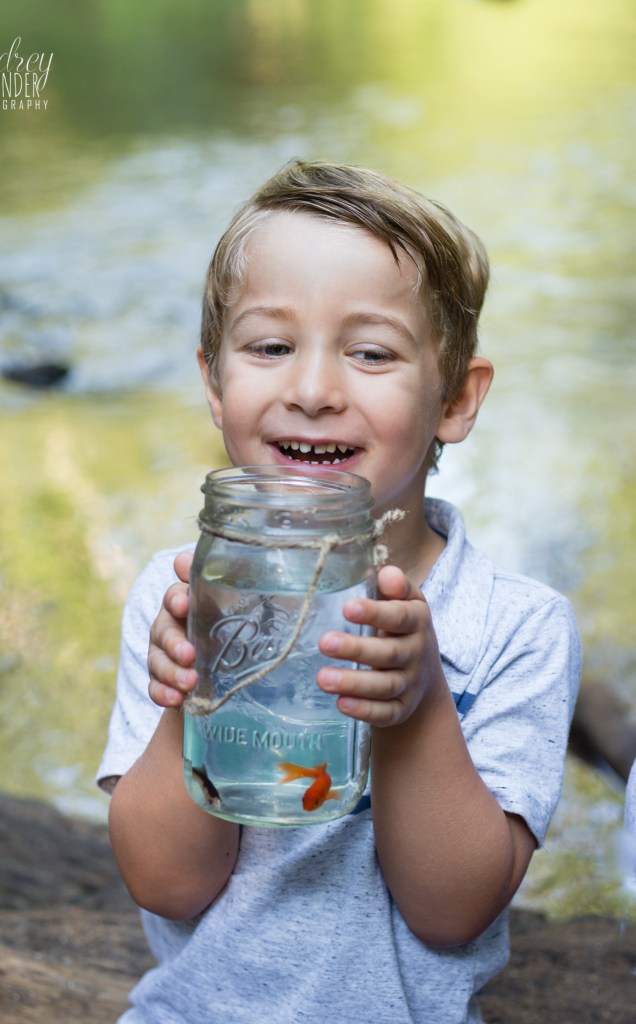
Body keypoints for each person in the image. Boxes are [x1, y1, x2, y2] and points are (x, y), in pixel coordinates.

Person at [97, 161, 581, 1023]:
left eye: (370, 352)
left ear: (456, 400)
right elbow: (166, 884)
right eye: (270, 346)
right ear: (214, 383)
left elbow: (453, 913)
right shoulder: (177, 594)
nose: (313, 392)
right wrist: (190, 695)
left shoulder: (518, 628)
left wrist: (419, 703)